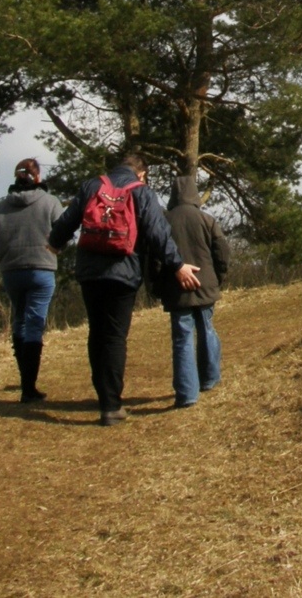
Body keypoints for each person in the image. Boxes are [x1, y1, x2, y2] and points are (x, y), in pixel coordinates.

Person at [50, 153, 200, 426]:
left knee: (97, 332)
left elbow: (68, 219)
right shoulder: (141, 191)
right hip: (123, 272)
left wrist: (54, 242)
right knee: (115, 336)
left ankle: (104, 396)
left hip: (90, 271)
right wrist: (176, 265)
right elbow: (157, 233)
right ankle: (111, 405)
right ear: (141, 174)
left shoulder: (92, 185)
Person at [0, 158, 64, 403]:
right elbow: (64, 233)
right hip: (42, 267)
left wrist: (7, 255)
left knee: (19, 319)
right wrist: (54, 248)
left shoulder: (2, 206)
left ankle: (24, 382)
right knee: (34, 323)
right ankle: (29, 387)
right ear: (37, 177)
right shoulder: (50, 202)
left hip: (11, 270)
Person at [162, 175, 231, 408]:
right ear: (194, 193)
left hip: (176, 286)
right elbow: (222, 252)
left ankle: (187, 394)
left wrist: (157, 287)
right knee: (207, 329)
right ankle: (210, 379)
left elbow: (154, 257)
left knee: (182, 338)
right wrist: (217, 278)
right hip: (205, 284)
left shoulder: (163, 221)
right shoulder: (206, 219)